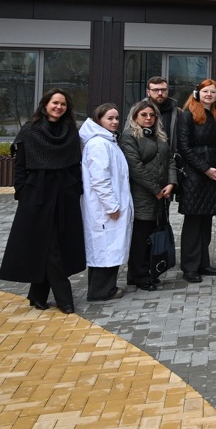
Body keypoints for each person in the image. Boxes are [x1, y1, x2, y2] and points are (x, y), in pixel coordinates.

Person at [0, 88, 84, 313]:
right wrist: (22, 191)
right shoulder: (30, 130)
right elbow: (20, 166)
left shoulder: (70, 130)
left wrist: (76, 189)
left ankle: (37, 294)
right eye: (55, 103)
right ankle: (64, 298)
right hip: (37, 195)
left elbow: (75, 163)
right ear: (45, 104)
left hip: (64, 195)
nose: (59, 107)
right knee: (50, 245)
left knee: (53, 244)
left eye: (63, 104)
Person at [175, 80, 216, 283]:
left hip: (214, 175)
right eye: (205, 91)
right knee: (193, 222)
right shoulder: (187, 115)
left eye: (212, 92)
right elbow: (184, 147)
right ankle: (189, 267)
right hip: (195, 176)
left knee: (206, 220)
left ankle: (203, 263)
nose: (209, 95)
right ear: (197, 93)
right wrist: (205, 169)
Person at [120, 99, 175, 291]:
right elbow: (135, 168)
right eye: (144, 115)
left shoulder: (159, 135)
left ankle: (145, 272)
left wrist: (171, 183)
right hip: (141, 194)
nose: (148, 118)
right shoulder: (129, 136)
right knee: (140, 236)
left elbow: (169, 160)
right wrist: (156, 189)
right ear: (135, 116)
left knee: (152, 234)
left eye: (152, 115)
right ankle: (139, 276)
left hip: (160, 194)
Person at [80, 103, 133, 301]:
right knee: (106, 249)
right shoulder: (98, 144)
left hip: (110, 206)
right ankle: (102, 291)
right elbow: (100, 179)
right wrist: (111, 205)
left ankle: (104, 288)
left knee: (108, 248)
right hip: (106, 208)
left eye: (117, 118)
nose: (115, 122)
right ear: (98, 120)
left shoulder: (108, 141)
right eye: (110, 118)